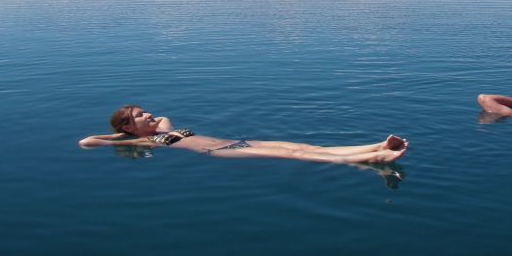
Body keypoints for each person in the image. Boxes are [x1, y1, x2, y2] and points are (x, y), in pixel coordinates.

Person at [79, 105, 408, 164]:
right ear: (127, 127)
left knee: (304, 145)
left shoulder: (162, 129)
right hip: (221, 152)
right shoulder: (141, 140)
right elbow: (88, 142)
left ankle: (373, 145)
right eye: (140, 115)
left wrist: (148, 120)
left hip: (239, 140)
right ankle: (376, 157)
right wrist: (120, 136)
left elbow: (164, 117)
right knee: (296, 155)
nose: (149, 114)